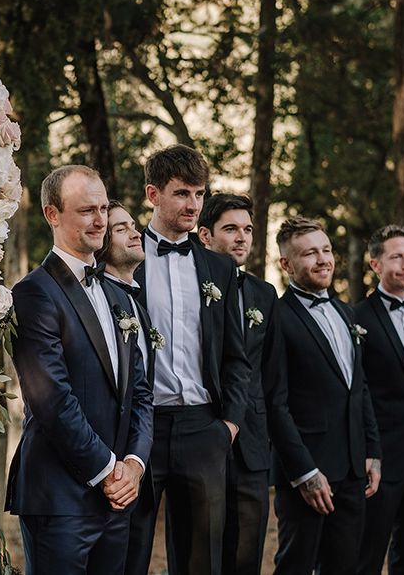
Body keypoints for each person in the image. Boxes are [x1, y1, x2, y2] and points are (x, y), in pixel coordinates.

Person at [5, 165, 153, 575]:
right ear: (53, 215)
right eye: (87, 210)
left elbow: (140, 392)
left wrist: (135, 466)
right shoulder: (34, 293)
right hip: (59, 499)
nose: (101, 220)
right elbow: (51, 399)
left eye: (104, 208)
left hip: (117, 497)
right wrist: (108, 471)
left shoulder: (116, 294)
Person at [126, 145, 250, 575]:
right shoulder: (120, 256)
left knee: (203, 561)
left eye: (199, 194)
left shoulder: (220, 269)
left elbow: (236, 355)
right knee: (130, 549)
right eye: (181, 193)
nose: (193, 205)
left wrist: (228, 426)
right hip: (140, 429)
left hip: (204, 429)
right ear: (152, 194)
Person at [271, 216, 381, 574]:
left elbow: (359, 387)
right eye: (310, 254)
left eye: (327, 250)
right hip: (307, 473)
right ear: (286, 264)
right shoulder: (278, 318)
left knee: (344, 566)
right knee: (296, 565)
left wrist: (372, 452)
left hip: (352, 471)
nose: (323, 260)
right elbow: (276, 403)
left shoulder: (345, 312)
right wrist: (304, 473)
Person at [197, 193, 282, 575]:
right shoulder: (189, 286)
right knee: (202, 554)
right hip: (199, 434)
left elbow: (271, 373)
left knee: (247, 555)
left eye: (247, 229)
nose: (241, 237)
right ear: (205, 235)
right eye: (230, 229)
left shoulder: (265, 293)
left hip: (252, 443)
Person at [356, 225, 404, 575]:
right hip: (383, 459)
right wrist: (367, 452)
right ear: (375, 265)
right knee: (367, 555)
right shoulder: (358, 317)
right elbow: (357, 392)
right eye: (396, 257)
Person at [95, 200, 157, 386]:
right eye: (121, 230)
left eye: (133, 226)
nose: (136, 234)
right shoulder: (97, 299)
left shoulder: (139, 306)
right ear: (101, 240)